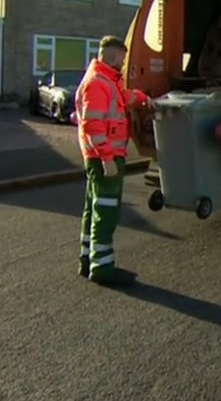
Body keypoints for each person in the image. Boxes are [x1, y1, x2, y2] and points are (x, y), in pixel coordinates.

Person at [73, 35, 150, 286]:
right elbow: (92, 125)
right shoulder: (98, 83)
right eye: (122, 59)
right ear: (113, 57)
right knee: (105, 212)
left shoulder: (105, 80)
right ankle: (102, 268)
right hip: (104, 159)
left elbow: (122, 99)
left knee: (93, 209)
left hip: (99, 157)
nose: (124, 63)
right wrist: (107, 159)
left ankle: (88, 260)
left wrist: (143, 99)